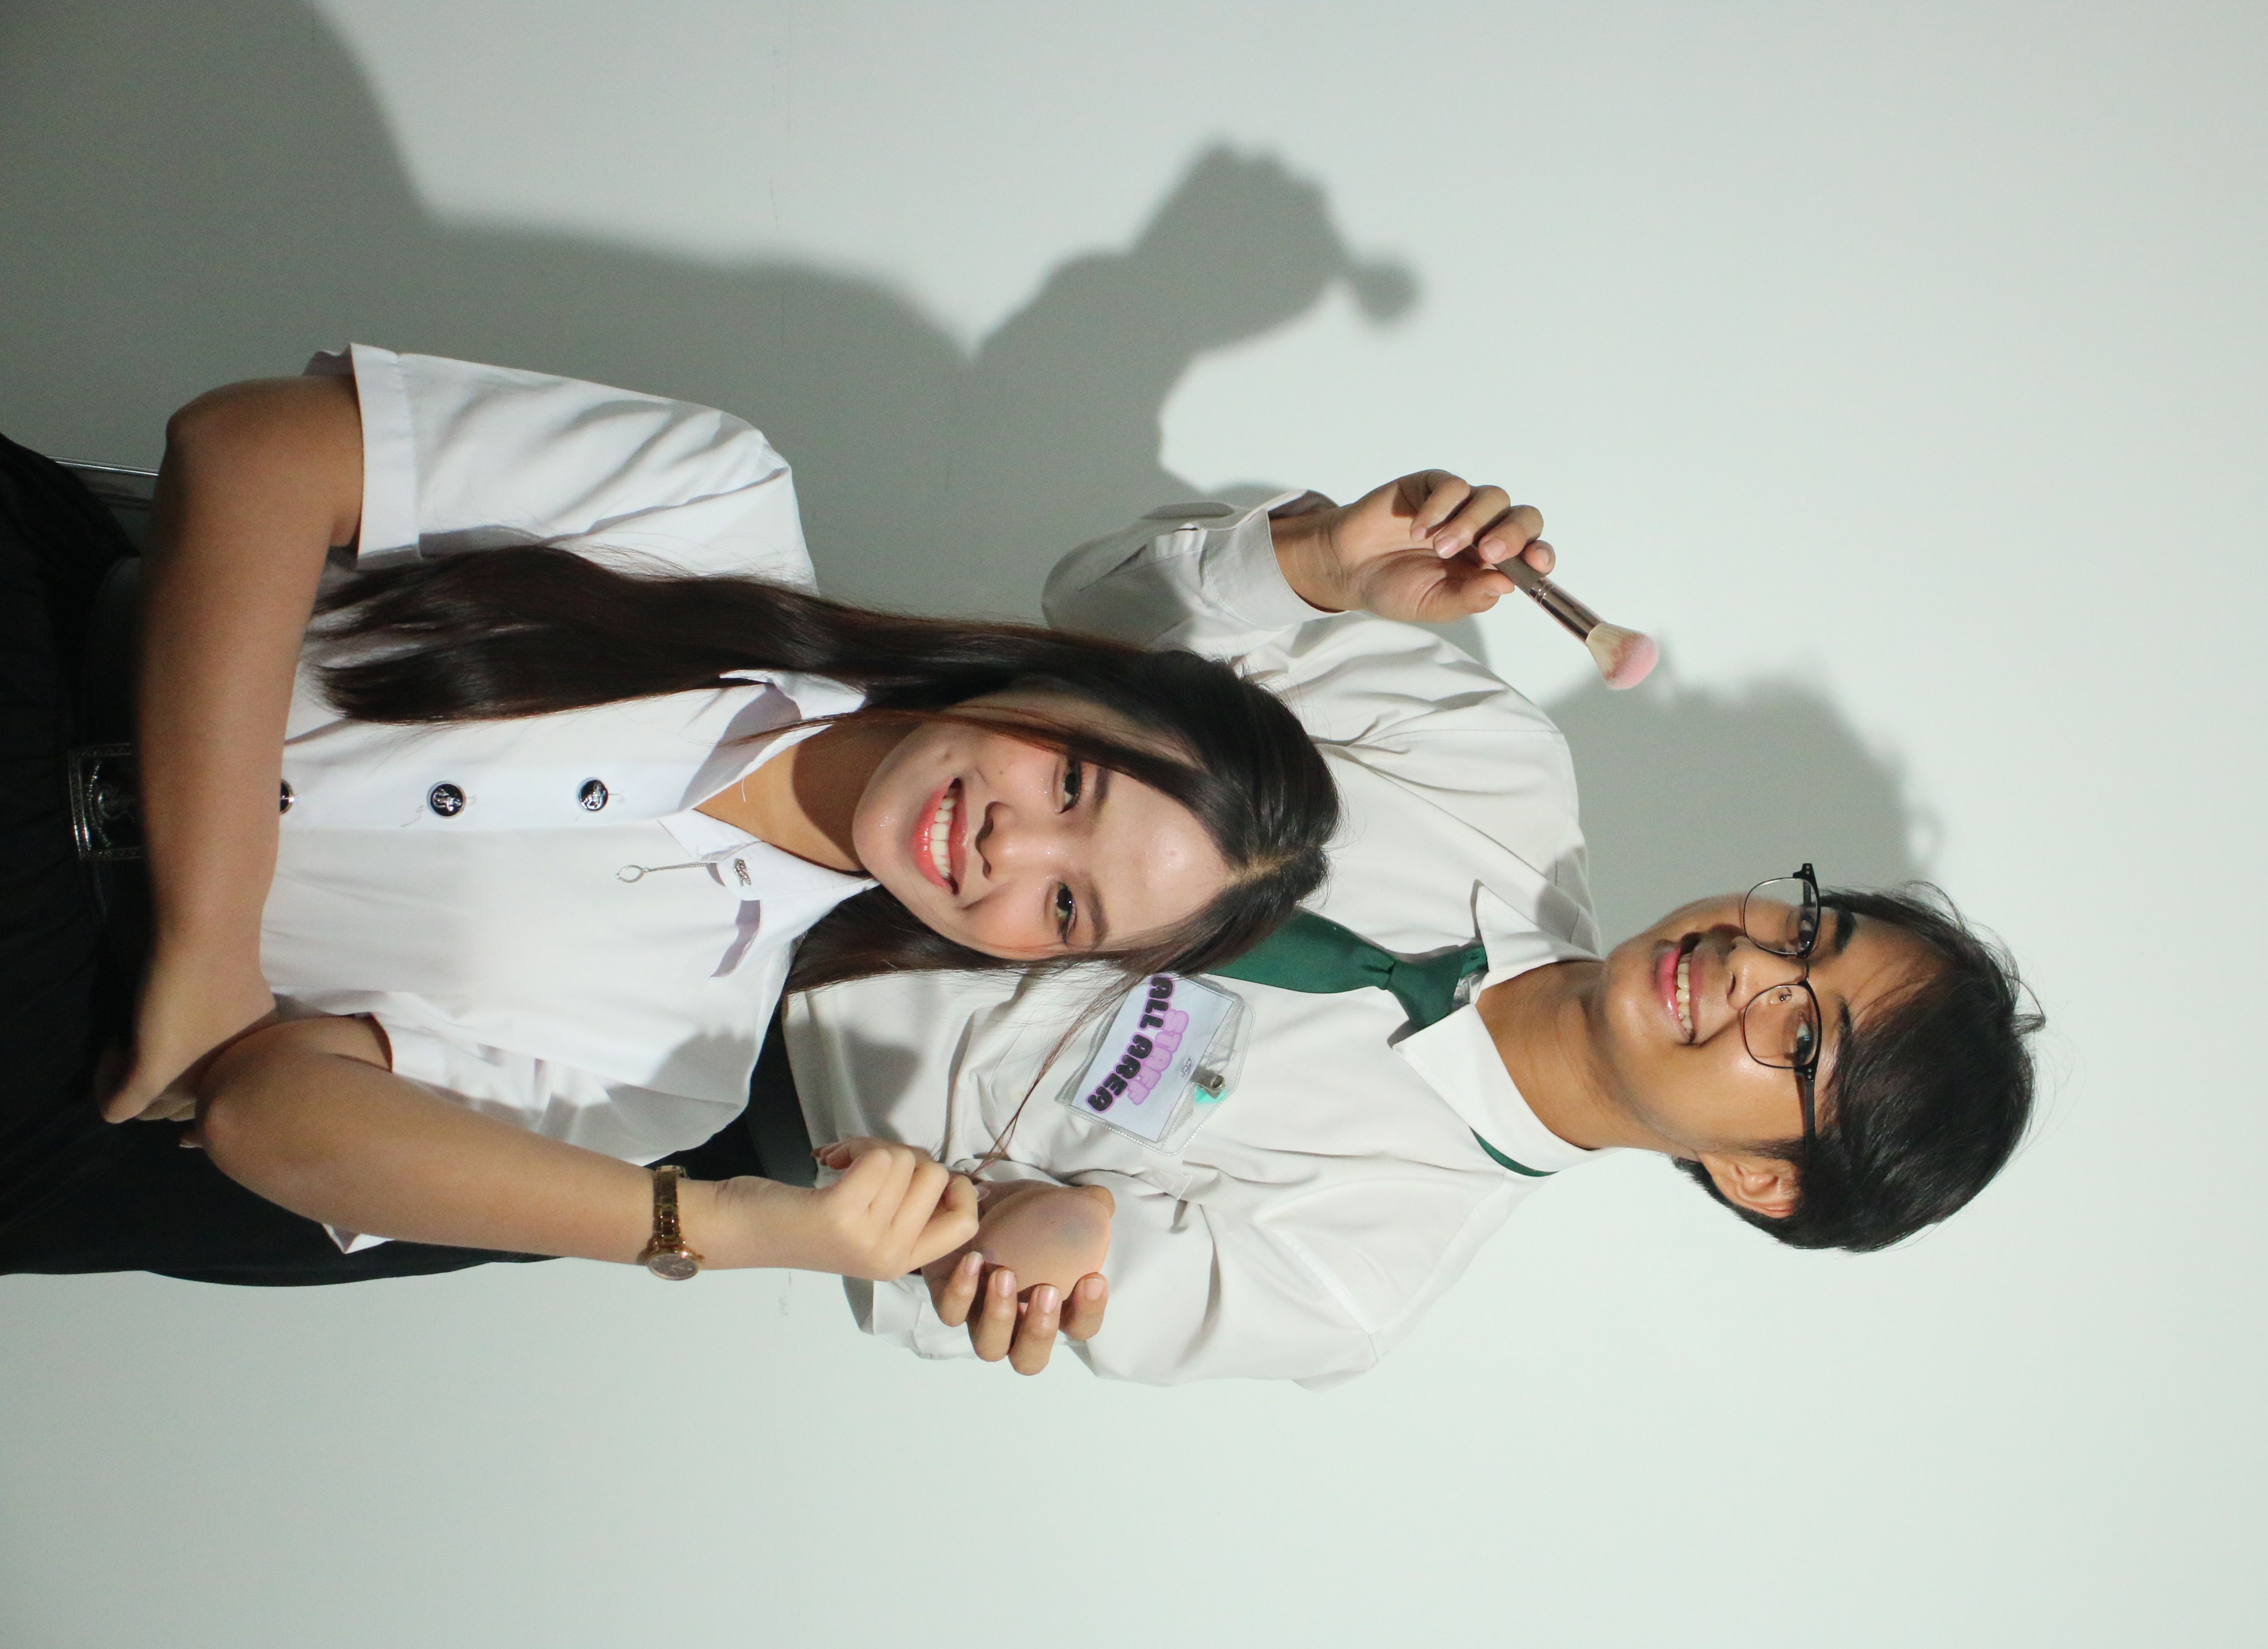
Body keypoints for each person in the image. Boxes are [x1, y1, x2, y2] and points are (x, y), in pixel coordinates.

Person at [0, 345, 1337, 1286]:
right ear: (1071, 687)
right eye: (1073, 787)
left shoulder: (675, 1080)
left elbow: (265, 1120)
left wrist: (728, 1228)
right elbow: (248, 449)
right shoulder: (711, 497)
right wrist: (212, 934)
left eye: (1065, 907)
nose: (1011, 850)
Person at [790, 476, 2042, 1382]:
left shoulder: (1354, 1273)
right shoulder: (1491, 763)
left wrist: (1037, 1233)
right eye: (1807, 934)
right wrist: (1316, 565)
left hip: (727, 1059)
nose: (1750, 964)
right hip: (804, 754)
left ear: (1762, 1178)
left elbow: (930, 1272)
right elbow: (1088, 615)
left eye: (1803, 1038)